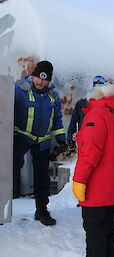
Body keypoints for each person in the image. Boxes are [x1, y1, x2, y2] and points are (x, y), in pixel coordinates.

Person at [72, 84, 114, 257]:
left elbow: (89, 154)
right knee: (111, 231)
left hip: (95, 191)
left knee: (95, 235)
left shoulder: (95, 116)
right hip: (113, 191)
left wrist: (79, 181)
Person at [13, 60, 67, 226]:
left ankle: (41, 210)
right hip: (21, 136)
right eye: (38, 77)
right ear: (33, 75)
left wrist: (61, 140)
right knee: (10, 169)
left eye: (44, 79)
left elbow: (57, 119)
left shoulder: (53, 96)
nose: (40, 81)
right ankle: (3, 206)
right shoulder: (20, 90)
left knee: (42, 176)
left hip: (42, 139)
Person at [67, 75, 109, 148]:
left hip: (103, 141)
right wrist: (70, 138)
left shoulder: (108, 104)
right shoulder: (82, 102)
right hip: (85, 140)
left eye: (100, 85)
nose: (98, 88)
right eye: (96, 85)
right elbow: (74, 121)